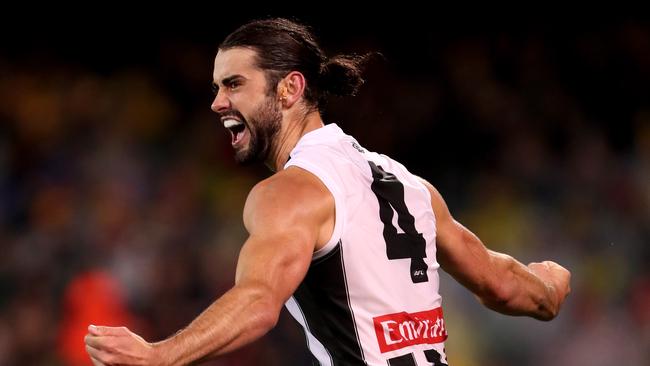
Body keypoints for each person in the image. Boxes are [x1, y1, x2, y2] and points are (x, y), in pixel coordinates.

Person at [84, 18, 571, 366]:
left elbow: (257, 301)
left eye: (233, 84)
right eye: (215, 87)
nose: (217, 103)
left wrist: (159, 355)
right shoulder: (409, 183)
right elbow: (505, 286)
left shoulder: (290, 192)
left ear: (289, 89)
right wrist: (549, 287)